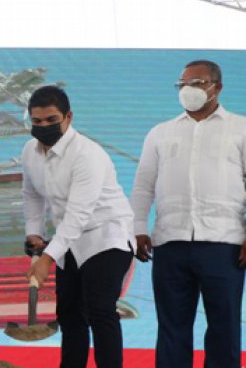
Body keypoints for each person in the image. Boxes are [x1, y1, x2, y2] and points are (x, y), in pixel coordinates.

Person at [131, 60, 246, 368]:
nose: (188, 90)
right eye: (183, 84)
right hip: (170, 243)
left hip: (224, 245)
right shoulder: (160, 133)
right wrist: (139, 227)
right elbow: (144, 184)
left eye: (196, 83)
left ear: (217, 87)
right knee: (172, 330)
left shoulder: (241, 128)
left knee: (225, 328)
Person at [22, 85, 135, 368]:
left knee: (99, 310)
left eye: (51, 120)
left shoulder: (87, 154)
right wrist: (34, 234)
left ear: (68, 117)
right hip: (69, 240)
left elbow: (79, 214)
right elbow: (32, 194)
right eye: (37, 121)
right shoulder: (29, 151)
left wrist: (47, 258)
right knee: (69, 313)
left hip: (106, 236)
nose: (44, 126)